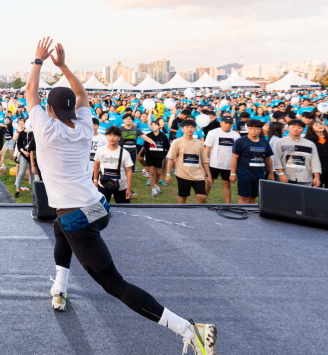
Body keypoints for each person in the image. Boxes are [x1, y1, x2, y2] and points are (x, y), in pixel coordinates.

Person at [25, 38, 215, 354]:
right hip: (99, 207)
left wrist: (37, 60)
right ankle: (59, 286)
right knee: (59, 229)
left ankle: (190, 330)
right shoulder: (85, 125)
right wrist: (60, 66)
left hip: (77, 217)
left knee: (114, 284)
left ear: (49, 109)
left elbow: (31, 92)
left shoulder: (46, 129)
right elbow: (82, 93)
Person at [166, 120, 211, 204]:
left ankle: (196, 214)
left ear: (195, 128)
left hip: (198, 174)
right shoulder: (177, 142)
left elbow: (204, 161)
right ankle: (182, 214)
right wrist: (168, 174)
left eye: (192, 127)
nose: (189, 129)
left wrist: (208, 175)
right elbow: (171, 159)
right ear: (182, 129)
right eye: (187, 127)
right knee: (183, 196)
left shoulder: (200, 143)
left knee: (202, 197)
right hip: (183, 174)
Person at [230, 119, 275, 204]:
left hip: (259, 174)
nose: (253, 130)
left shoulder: (264, 142)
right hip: (245, 174)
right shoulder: (240, 141)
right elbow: (234, 158)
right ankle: (241, 213)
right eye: (250, 128)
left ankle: (251, 216)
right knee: (244, 197)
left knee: (253, 196)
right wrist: (232, 174)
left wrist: (271, 174)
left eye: (256, 128)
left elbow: (268, 159)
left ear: (260, 129)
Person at [271, 119, 321, 187]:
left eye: (299, 128)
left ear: (303, 130)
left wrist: (317, 177)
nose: (296, 129)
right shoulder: (279, 142)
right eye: (293, 127)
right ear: (288, 127)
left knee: (303, 197)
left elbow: (315, 161)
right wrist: (281, 174)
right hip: (286, 176)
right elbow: (276, 159)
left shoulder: (310, 144)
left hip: (304, 177)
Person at [203, 116, 240, 204]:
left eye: (230, 123)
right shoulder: (213, 133)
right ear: (221, 123)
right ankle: (202, 201)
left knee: (227, 184)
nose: (228, 125)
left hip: (228, 164)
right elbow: (207, 148)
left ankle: (228, 204)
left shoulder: (236, 135)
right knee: (208, 182)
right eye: (226, 123)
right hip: (213, 163)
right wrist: (206, 162)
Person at [92, 126, 133, 203]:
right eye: (109, 135)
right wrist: (95, 180)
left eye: (115, 135)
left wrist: (129, 188)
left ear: (119, 138)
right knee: (101, 208)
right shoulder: (100, 150)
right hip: (104, 184)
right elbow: (96, 165)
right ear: (106, 136)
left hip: (120, 186)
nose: (112, 138)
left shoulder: (125, 153)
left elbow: (129, 171)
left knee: (125, 209)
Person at [304, 120, 328, 191]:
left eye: (320, 124)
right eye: (316, 125)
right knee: (316, 188)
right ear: (311, 128)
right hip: (316, 168)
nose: (320, 126)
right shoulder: (308, 140)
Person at [137, 119, 169, 197]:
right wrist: (140, 153)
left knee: (158, 172)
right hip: (150, 156)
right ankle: (153, 187)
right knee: (151, 172)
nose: (153, 126)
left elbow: (167, 147)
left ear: (159, 126)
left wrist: (166, 155)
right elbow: (144, 146)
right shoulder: (149, 135)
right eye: (152, 125)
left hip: (159, 157)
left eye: (155, 125)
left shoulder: (163, 136)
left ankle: (155, 184)